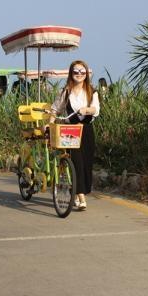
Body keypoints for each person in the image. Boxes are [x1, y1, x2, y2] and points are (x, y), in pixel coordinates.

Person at [50, 60, 100, 211]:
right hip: (70, 132)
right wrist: (50, 124)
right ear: (71, 73)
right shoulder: (66, 91)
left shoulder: (92, 91)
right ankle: (81, 196)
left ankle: (79, 192)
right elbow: (55, 109)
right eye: (76, 71)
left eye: (82, 72)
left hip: (87, 131)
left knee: (86, 163)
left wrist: (87, 110)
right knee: (76, 161)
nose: (79, 74)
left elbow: (96, 109)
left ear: (86, 74)